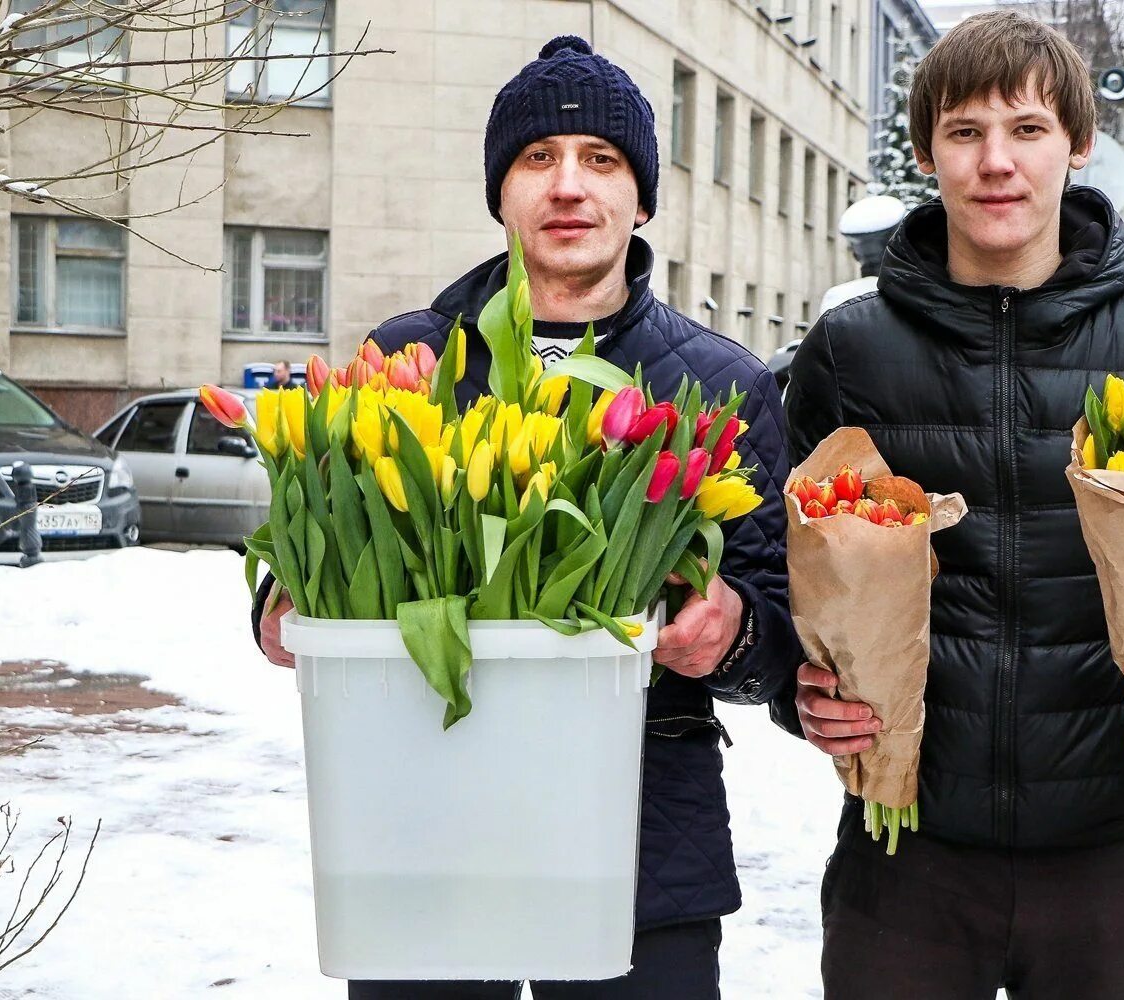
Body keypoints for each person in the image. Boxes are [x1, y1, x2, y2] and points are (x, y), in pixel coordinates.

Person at [252, 35, 800, 999]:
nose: (568, 187)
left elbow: (783, 623)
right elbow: (326, 525)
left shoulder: (721, 384)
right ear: (502, 194)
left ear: (641, 200)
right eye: (538, 160)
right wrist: (282, 595)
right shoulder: (412, 358)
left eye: (602, 160)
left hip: (638, 852)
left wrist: (737, 631)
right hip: (424, 831)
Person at [778, 12, 1124, 999]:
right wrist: (795, 690)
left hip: (1117, 853)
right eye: (965, 132)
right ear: (929, 148)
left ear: (1077, 142)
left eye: (1026, 129)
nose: (996, 164)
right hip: (908, 857)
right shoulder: (851, 350)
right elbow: (780, 559)